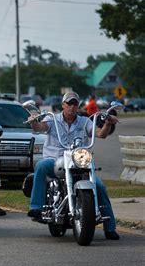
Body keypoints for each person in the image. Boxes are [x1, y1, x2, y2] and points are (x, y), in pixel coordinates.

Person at [27, 91, 120, 240]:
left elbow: (100, 134)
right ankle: (36, 207)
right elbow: (40, 127)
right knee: (41, 166)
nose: (71, 106)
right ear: (63, 105)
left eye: (75, 103)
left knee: (100, 187)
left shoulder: (85, 122)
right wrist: (33, 121)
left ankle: (110, 228)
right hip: (55, 159)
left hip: (78, 162)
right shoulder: (53, 119)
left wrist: (108, 123)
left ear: (78, 106)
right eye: (69, 103)